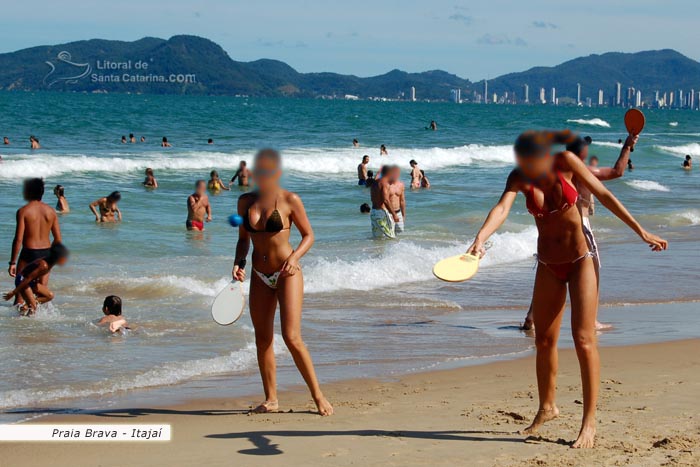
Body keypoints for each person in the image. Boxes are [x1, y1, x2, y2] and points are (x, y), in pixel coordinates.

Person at [467, 130, 666, 449]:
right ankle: (547, 407)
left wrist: (640, 231)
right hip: (548, 263)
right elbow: (502, 209)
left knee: (584, 339)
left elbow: (604, 194)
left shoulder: (567, 162)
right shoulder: (519, 177)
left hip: (580, 259)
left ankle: (589, 423)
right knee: (544, 339)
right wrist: (479, 238)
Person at [231, 149, 333, 416]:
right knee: (262, 338)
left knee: (291, 336)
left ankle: (318, 396)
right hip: (259, 275)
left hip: (288, 272)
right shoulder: (244, 202)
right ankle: (271, 399)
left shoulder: (290, 200)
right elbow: (243, 239)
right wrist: (239, 263)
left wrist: (295, 257)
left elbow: (309, 235)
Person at [521, 133, 637, 331]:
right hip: (580, 224)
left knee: (546, 270)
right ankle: (592, 320)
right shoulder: (582, 170)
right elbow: (617, 172)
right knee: (593, 271)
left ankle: (531, 318)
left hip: (552, 228)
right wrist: (627, 146)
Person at [9, 178, 62, 307]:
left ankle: (19, 323)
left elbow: (18, 239)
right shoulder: (51, 212)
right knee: (41, 291)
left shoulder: (23, 211)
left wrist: (13, 262)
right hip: (47, 254)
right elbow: (58, 239)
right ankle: (36, 324)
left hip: (28, 254)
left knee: (21, 293)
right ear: (42, 193)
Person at [3, 243, 69, 316]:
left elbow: (34, 276)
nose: (66, 260)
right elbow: (28, 278)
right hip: (22, 280)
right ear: (58, 258)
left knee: (49, 296)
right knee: (33, 307)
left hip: (30, 281)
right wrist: (14, 292)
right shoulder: (44, 265)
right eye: (64, 257)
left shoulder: (50, 264)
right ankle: (23, 323)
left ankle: (26, 306)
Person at [370, 166, 398, 239]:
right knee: (391, 237)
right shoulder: (384, 183)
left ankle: (378, 251)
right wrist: (394, 214)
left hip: (373, 212)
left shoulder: (375, 183)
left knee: (377, 239)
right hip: (381, 213)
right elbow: (385, 200)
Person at [389, 166, 406, 233]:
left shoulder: (401, 185)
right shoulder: (386, 185)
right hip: (388, 213)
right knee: (389, 233)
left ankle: (397, 244)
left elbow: (402, 201)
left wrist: (403, 215)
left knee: (400, 232)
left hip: (398, 212)